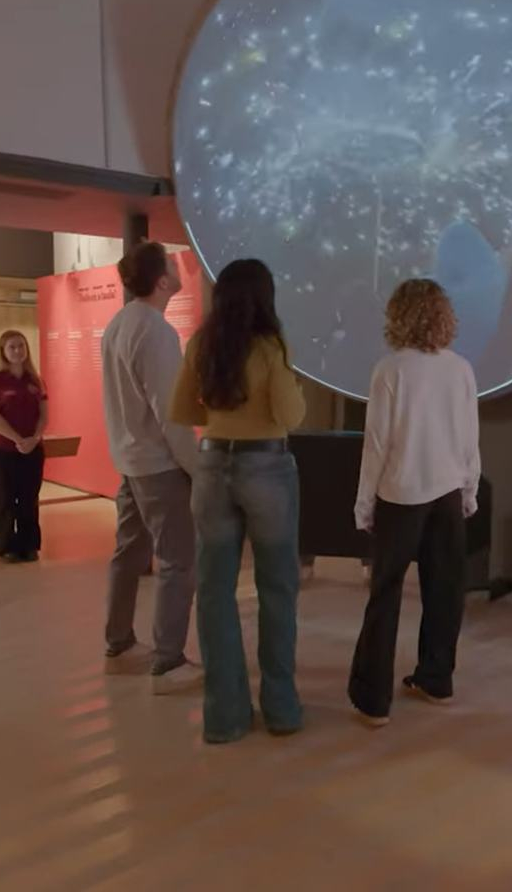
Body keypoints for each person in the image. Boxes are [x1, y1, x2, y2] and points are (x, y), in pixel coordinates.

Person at [171, 258, 306, 744]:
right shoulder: (271, 346)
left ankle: (224, 715)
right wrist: (291, 386)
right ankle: (281, 708)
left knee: (214, 592)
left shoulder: (202, 344)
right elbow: (290, 415)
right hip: (267, 466)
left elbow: (182, 409)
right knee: (277, 589)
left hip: (212, 467)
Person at [348, 279, 480, 728]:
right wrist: (469, 490)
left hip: (400, 494)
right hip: (447, 492)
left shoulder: (390, 370)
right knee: (445, 590)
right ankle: (436, 679)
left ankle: (373, 700)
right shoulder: (461, 369)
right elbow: (470, 438)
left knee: (385, 594)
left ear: (398, 316)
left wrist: (364, 503)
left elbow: (377, 445)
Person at [100, 243, 202, 695]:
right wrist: (196, 468)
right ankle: (168, 662)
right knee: (178, 561)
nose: (180, 269)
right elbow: (172, 414)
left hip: (130, 462)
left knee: (128, 554)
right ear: (161, 281)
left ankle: (119, 643)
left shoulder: (119, 324)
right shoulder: (157, 332)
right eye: (173, 265)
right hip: (159, 467)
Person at [0, 330, 48, 563]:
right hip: (3, 450)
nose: (17, 351)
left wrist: (35, 438)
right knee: (5, 498)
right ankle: (7, 546)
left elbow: (43, 415)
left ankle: (29, 545)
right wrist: (18, 439)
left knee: (29, 498)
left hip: (33, 449)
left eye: (21, 346)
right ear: (3, 351)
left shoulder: (36, 380)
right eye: (12, 347)